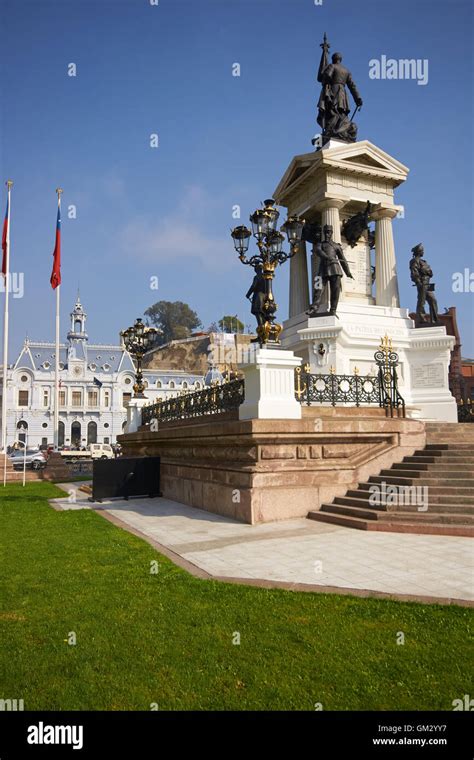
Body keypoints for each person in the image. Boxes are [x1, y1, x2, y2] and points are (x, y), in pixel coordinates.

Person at [307, 224, 353, 316]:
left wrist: (348, 272)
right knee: (318, 288)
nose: (327, 234)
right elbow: (319, 252)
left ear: (331, 233)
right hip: (323, 269)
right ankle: (313, 308)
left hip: (335, 269)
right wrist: (328, 257)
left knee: (335, 290)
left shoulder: (336, 246)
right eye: (326, 232)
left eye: (329, 232)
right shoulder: (320, 244)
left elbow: (343, 260)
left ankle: (333, 310)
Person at [409, 243, 439, 324]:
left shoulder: (424, 262)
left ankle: (434, 320)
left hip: (428, 283)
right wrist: (418, 282)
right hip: (422, 283)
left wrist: (426, 271)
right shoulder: (414, 261)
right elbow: (414, 273)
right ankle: (421, 319)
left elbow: (431, 273)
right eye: (422, 250)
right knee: (421, 301)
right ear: (418, 252)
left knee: (433, 300)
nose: (423, 252)